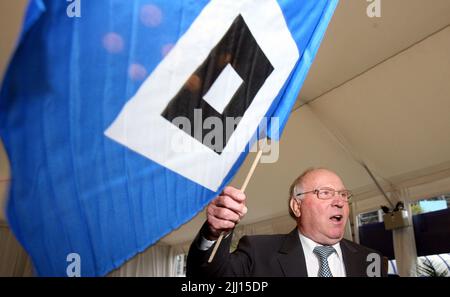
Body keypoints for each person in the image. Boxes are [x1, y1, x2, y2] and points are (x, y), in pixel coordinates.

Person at [186, 168, 387, 277]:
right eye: (325, 193)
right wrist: (213, 234)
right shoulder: (258, 252)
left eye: (343, 194)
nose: (339, 201)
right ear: (296, 206)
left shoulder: (372, 260)